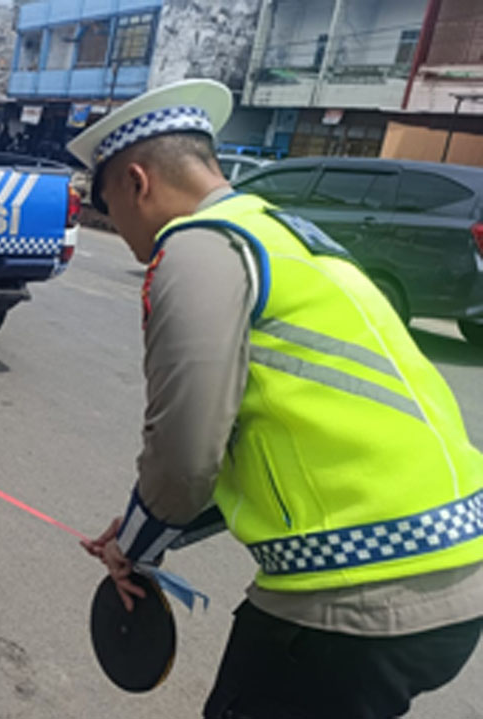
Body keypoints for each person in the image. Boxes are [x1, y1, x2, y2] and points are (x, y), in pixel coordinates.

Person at [71, 79, 483, 719]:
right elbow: (259, 442)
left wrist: (138, 547)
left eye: (106, 202)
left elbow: (184, 455)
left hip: (354, 600)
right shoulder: (284, 234)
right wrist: (141, 531)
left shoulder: (197, 246)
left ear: (135, 182)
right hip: (455, 574)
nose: (116, 225)